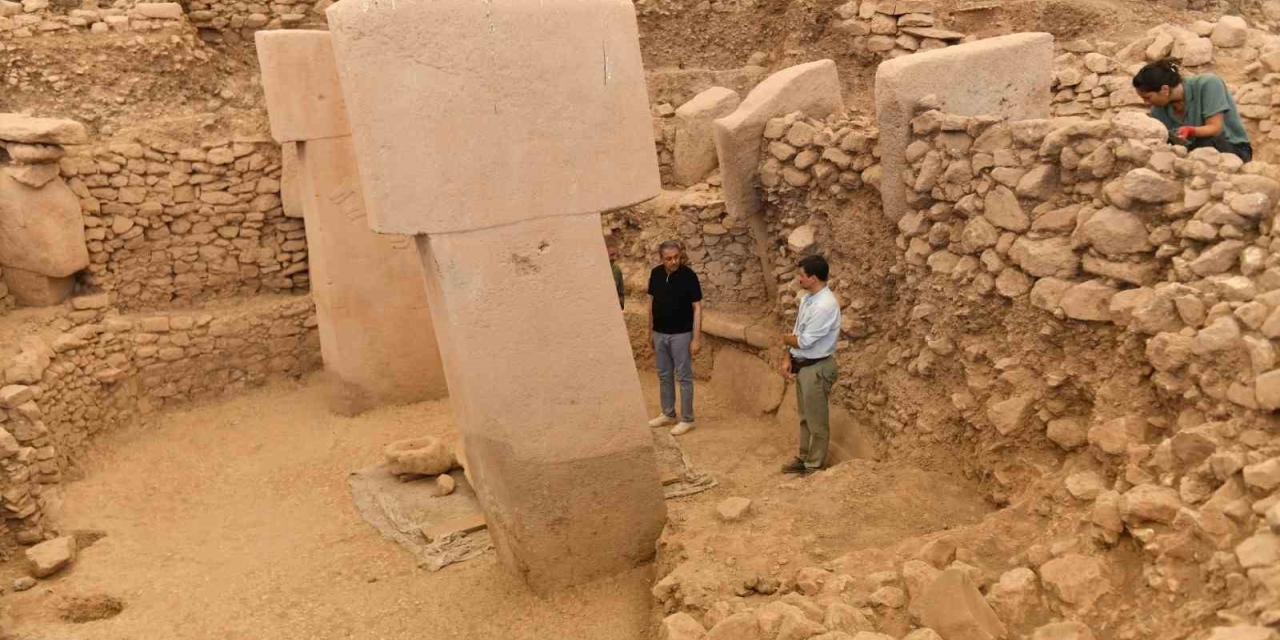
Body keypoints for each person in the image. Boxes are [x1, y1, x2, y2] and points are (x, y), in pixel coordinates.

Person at [779, 254, 841, 476]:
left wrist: (783, 339)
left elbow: (803, 340)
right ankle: (804, 458)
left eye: (802, 276)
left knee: (817, 421)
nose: (799, 280)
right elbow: (797, 332)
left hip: (817, 367)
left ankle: (814, 466)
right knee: (806, 417)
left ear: (813, 278)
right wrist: (788, 357)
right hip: (804, 365)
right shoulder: (808, 299)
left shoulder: (824, 306)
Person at [1133, 57, 1252, 162]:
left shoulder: (1208, 84)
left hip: (1232, 148)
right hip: (1193, 150)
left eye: (1148, 97)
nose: (1146, 103)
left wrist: (1189, 130)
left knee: (1205, 144)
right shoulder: (1158, 110)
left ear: (1164, 90)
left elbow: (1215, 129)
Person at [647, 240, 703, 436]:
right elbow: (651, 304)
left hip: (681, 335)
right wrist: (650, 331)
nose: (674, 261)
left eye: (676, 257)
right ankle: (668, 413)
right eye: (669, 258)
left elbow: (697, 308)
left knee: (684, 377)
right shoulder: (655, 274)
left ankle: (687, 419)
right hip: (659, 333)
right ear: (661, 259)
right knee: (664, 375)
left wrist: (695, 338)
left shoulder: (689, 276)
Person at [607, 237, 625, 309]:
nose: (615, 258)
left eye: (616, 255)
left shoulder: (617, 270)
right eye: (612, 255)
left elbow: (621, 295)